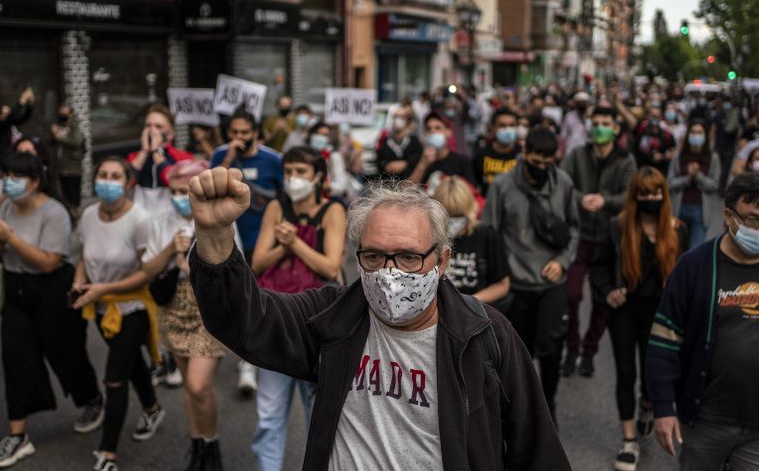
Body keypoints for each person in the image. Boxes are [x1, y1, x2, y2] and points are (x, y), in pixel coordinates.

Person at [187, 173, 571, 470]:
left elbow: (537, 452)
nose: (389, 273)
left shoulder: (486, 336)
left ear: (442, 261)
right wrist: (215, 235)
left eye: (408, 257)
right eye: (374, 257)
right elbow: (246, 321)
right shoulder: (332, 318)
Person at [646, 172, 759, 471]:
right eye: (753, 220)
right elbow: (664, 341)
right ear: (729, 216)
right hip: (706, 423)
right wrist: (663, 408)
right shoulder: (694, 266)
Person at [0, 153, 103, 469]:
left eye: (17, 176)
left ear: (36, 181)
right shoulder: (7, 208)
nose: (8, 181)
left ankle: (91, 399)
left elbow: (49, 261)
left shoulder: (55, 212)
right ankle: (18, 434)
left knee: (66, 354)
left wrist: (10, 237)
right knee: (16, 356)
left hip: (51, 290)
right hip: (16, 289)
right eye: (6, 174)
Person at [248, 147, 347, 470]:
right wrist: (280, 247)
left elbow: (331, 268)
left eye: (301, 171)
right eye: (289, 170)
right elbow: (258, 263)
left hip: (318, 325)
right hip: (276, 320)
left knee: (318, 414)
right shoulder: (278, 206)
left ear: (318, 176)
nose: (293, 177)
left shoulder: (333, 211)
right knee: (269, 413)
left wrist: (294, 243)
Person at [590, 167, 688, 471]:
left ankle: (648, 405)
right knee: (625, 372)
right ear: (634, 196)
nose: (650, 198)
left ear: (664, 195)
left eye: (656, 193)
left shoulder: (676, 229)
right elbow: (598, 266)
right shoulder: (617, 227)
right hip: (625, 311)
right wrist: (608, 292)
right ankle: (629, 440)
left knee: (652, 374)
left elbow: (685, 274)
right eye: (643, 193)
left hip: (660, 312)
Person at [72, 157, 165, 471]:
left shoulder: (140, 220)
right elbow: (85, 254)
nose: (107, 182)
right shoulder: (87, 215)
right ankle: (152, 408)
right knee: (131, 363)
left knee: (114, 378)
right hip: (100, 306)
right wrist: (79, 282)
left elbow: (147, 273)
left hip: (133, 306)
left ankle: (107, 453)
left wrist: (103, 290)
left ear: (128, 182)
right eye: (103, 175)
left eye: (115, 176)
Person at [482, 127, 579, 422]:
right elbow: (491, 233)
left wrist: (562, 261)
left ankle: (548, 412)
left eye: (546, 163)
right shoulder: (502, 185)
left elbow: (575, 228)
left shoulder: (562, 183)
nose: (540, 168)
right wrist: (501, 275)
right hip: (515, 287)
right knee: (515, 358)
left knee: (550, 354)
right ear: (524, 154)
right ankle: (517, 418)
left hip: (551, 284)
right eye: (535, 162)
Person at [141, 159, 227, 470]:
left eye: (185, 190)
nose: (179, 196)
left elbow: (233, 272)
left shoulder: (218, 221)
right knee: (190, 388)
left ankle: (211, 446)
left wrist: (188, 262)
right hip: (173, 309)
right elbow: (147, 270)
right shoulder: (160, 221)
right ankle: (198, 447)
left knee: (198, 384)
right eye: (174, 190)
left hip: (208, 312)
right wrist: (170, 252)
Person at [561, 107, 637, 377]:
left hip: (608, 239)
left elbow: (630, 194)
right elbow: (564, 183)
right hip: (578, 236)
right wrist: (581, 198)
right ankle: (571, 349)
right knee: (571, 295)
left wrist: (607, 201)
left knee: (602, 300)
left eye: (606, 123)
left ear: (616, 128)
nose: (600, 128)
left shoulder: (626, 160)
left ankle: (589, 351)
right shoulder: (578, 155)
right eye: (596, 123)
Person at [210, 110, 284, 266]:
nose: (239, 137)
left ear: (255, 132)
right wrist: (228, 158)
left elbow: (283, 196)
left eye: (245, 132)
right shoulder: (220, 155)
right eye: (234, 132)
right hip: (230, 236)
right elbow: (212, 190)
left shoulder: (273, 159)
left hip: (262, 236)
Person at [432, 176, 511, 305]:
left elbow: (502, 285)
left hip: (475, 311)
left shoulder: (486, 235)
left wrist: (469, 302)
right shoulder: (431, 237)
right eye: (449, 216)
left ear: (469, 211)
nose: (453, 222)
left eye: (458, 216)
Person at [127, 105, 193, 217]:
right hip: (141, 216)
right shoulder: (135, 157)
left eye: (158, 126)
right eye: (148, 126)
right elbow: (127, 184)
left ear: (170, 134)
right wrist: (144, 152)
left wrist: (156, 154)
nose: (152, 130)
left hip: (172, 216)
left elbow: (178, 184)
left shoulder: (183, 157)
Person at [668, 120, 722, 249]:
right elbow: (669, 182)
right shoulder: (679, 156)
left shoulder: (712, 157)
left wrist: (698, 176)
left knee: (694, 249)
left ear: (705, 135)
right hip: (679, 207)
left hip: (700, 210)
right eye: (693, 132)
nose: (696, 135)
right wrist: (687, 178)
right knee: (676, 248)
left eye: (699, 132)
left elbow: (714, 185)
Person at [0, 137, 49, 219]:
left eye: (28, 152)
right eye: (19, 152)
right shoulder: (6, 182)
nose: (23, 156)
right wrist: (10, 193)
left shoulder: (51, 210)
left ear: (36, 181)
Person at [408, 113, 476, 187]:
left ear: (449, 132)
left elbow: (471, 192)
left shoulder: (462, 162)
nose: (432, 131)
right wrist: (423, 164)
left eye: (438, 128)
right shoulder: (417, 160)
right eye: (428, 129)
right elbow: (405, 193)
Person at [473, 108, 521, 195]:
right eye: (502, 125)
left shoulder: (522, 154)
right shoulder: (481, 154)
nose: (507, 129)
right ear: (493, 127)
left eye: (511, 125)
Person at [0, 87, 35, 172]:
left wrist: (29, 105)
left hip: (14, 161)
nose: (10, 112)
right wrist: (22, 100)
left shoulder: (11, 125)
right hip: (4, 166)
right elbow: (13, 115)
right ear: (0, 116)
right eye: (7, 113)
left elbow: (24, 117)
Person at [50, 104, 85, 211]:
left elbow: (76, 142)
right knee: (64, 192)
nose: (62, 115)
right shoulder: (59, 126)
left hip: (72, 167)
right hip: (61, 166)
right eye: (61, 113)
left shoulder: (75, 127)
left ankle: (75, 211)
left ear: (71, 114)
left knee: (73, 191)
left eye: (65, 113)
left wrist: (58, 137)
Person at [375, 104, 423, 181]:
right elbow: (379, 160)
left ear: (408, 121)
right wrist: (386, 166)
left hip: (408, 186)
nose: (397, 120)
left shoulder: (414, 141)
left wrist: (406, 163)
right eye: (395, 117)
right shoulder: (385, 140)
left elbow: (418, 161)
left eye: (401, 117)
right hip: (388, 184)